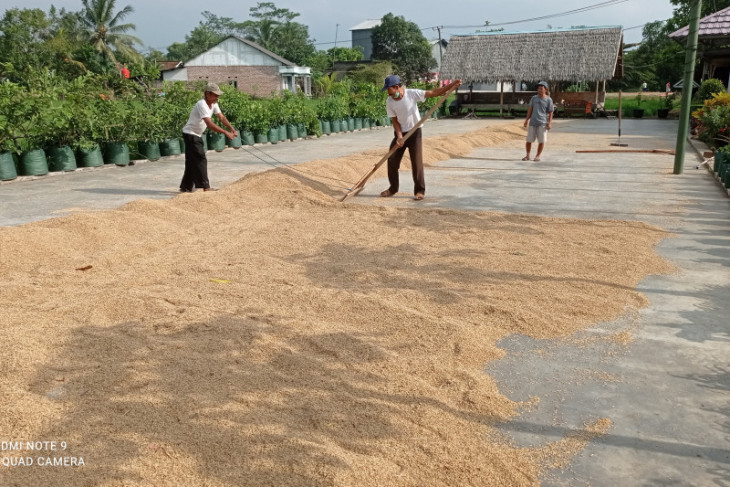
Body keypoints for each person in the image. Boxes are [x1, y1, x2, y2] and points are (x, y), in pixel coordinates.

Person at [379, 74, 461, 201]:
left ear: (396, 87)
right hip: (401, 134)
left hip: (415, 132)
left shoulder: (412, 94)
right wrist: (399, 136)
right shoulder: (389, 101)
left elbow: (434, 92)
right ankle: (393, 188)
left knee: (416, 163)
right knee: (392, 159)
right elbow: (395, 121)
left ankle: (419, 191)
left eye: (389, 90)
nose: (388, 94)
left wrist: (451, 85)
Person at [179, 82, 238, 193]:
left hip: (196, 134)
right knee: (200, 159)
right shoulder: (202, 104)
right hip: (190, 134)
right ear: (208, 94)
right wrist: (226, 132)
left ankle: (186, 187)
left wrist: (232, 128)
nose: (217, 97)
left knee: (192, 161)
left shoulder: (214, 104)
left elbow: (221, 117)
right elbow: (209, 124)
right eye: (215, 95)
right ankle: (206, 187)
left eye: (218, 95)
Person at [522, 80, 554, 162]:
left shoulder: (549, 100)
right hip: (533, 122)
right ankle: (528, 155)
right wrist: (526, 120)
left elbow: (551, 112)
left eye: (541, 88)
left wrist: (549, 123)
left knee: (541, 141)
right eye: (538, 88)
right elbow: (530, 110)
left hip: (542, 123)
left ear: (545, 89)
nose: (539, 90)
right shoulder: (534, 98)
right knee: (529, 140)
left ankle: (537, 156)